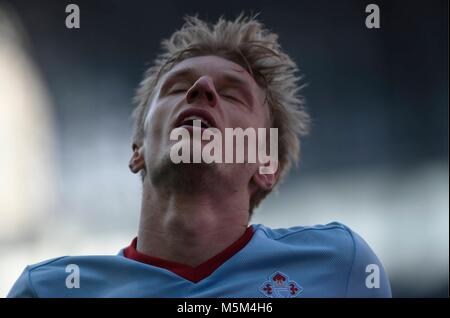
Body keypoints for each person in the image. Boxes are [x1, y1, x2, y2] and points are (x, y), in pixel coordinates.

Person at [8, 14, 391, 298]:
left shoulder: (340, 265)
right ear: (137, 151)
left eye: (231, 93)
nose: (202, 88)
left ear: (265, 164)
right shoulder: (47, 290)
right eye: (177, 87)